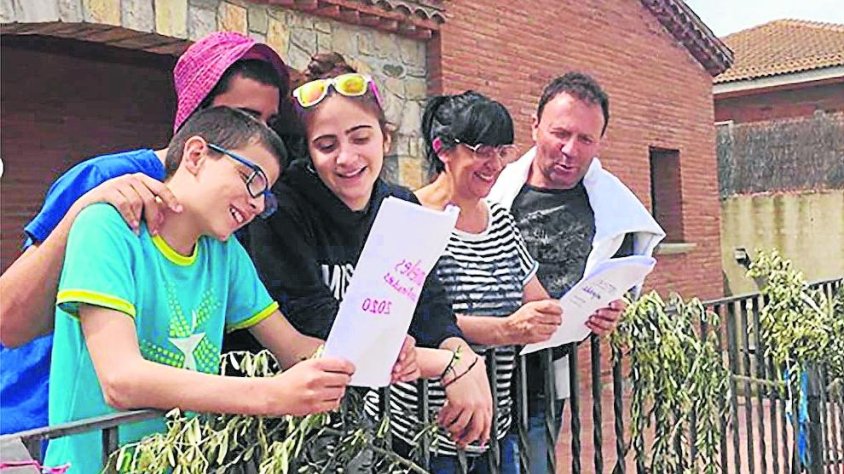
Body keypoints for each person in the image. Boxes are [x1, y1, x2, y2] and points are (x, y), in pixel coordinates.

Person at [43, 106, 395, 473]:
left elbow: (293, 348)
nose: (258, 205)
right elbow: (122, 380)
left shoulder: (224, 254)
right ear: (196, 155)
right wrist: (272, 395)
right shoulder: (109, 228)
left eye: (266, 195)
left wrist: (374, 353)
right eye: (251, 179)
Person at [0, 31, 291, 435]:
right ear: (198, 133)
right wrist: (82, 210)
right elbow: (10, 319)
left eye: (269, 121)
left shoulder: (220, 224)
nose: (262, 134)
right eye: (244, 117)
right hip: (45, 417)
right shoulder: (105, 180)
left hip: (153, 429)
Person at [245, 53, 495, 451]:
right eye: (326, 145)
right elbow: (308, 312)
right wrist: (443, 364)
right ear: (308, 153)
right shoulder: (281, 208)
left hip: (365, 422)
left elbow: (427, 301)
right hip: (285, 427)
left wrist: (459, 352)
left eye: (361, 137)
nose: (347, 157)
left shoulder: (401, 203)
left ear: (386, 138)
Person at [488, 72, 665, 474]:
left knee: (536, 461)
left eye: (585, 139)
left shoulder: (613, 207)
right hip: (480, 366)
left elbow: (621, 280)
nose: (570, 149)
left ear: (600, 142)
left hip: (546, 378)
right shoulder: (493, 189)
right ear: (534, 127)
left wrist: (613, 312)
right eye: (560, 133)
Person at [407, 90, 563, 473]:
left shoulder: (501, 221)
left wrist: (586, 308)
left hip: (495, 424)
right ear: (443, 148)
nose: (493, 163)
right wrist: (504, 330)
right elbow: (411, 318)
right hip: (429, 430)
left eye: (502, 151)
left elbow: (536, 300)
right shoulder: (409, 216)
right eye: (481, 149)